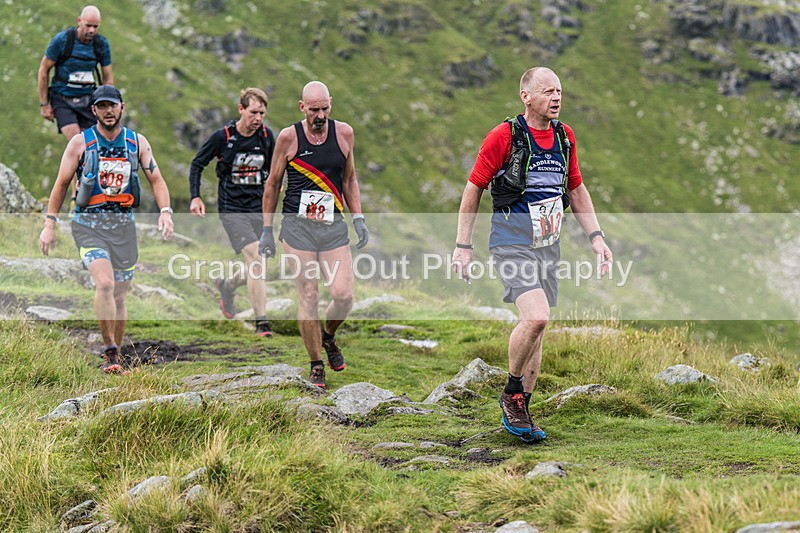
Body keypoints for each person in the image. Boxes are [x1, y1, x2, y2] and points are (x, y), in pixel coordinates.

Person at [452, 67, 612, 443]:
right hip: (510, 243)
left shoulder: (564, 136)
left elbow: (575, 188)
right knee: (537, 318)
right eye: (547, 92)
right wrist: (463, 246)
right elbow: (473, 188)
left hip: (548, 246)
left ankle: (522, 406)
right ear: (526, 96)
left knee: (537, 332)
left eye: (559, 91)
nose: (556, 98)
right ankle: (511, 392)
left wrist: (597, 237)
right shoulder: (504, 136)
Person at [38, 85, 174, 374]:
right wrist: (50, 224)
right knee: (105, 284)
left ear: (122, 107)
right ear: (93, 111)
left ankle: (118, 354)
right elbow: (61, 184)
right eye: (102, 106)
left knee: (120, 295)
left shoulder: (137, 143)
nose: (108, 111)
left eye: (112, 105)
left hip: (124, 228)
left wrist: (165, 212)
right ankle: (110, 352)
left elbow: (157, 179)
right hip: (88, 226)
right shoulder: (80, 143)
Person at [260, 81, 369, 389]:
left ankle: (328, 336)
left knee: (343, 295)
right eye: (313, 110)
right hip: (298, 229)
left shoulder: (344, 134)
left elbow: (349, 180)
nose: (319, 115)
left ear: (330, 105)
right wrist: (267, 230)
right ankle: (316, 363)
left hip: (333, 227)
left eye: (324, 109)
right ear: (302, 107)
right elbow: (272, 184)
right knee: (309, 294)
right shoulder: (288, 137)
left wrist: (358, 219)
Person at [189, 88, 276, 337]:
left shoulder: (267, 137)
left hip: (258, 208)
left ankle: (227, 286)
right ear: (241, 109)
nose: (258, 118)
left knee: (258, 264)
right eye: (253, 112)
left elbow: (273, 172)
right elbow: (197, 164)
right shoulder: (223, 137)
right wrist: (196, 196)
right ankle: (262, 322)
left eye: (262, 113)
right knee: (257, 260)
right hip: (231, 209)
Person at [38, 5, 113, 143]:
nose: (91, 30)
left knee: (93, 145)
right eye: (88, 25)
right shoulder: (62, 41)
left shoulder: (101, 44)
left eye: (95, 26)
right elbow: (44, 69)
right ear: (79, 21)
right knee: (78, 142)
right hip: (62, 99)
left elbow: (107, 77)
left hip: (88, 100)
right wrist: (44, 104)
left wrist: (108, 104)